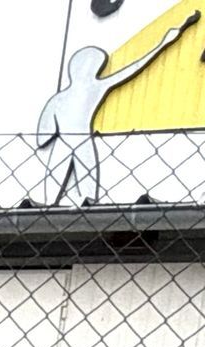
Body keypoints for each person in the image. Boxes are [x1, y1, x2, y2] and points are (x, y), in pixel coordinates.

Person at [37, 10, 200, 204]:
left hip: (68, 142)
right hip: (81, 141)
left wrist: (165, 42)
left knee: (66, 188)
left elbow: (43, 136)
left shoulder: (66, 97)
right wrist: (163, 42)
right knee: (82, 188)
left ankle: (53, 206)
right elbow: (133, 67)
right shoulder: (91, 89)